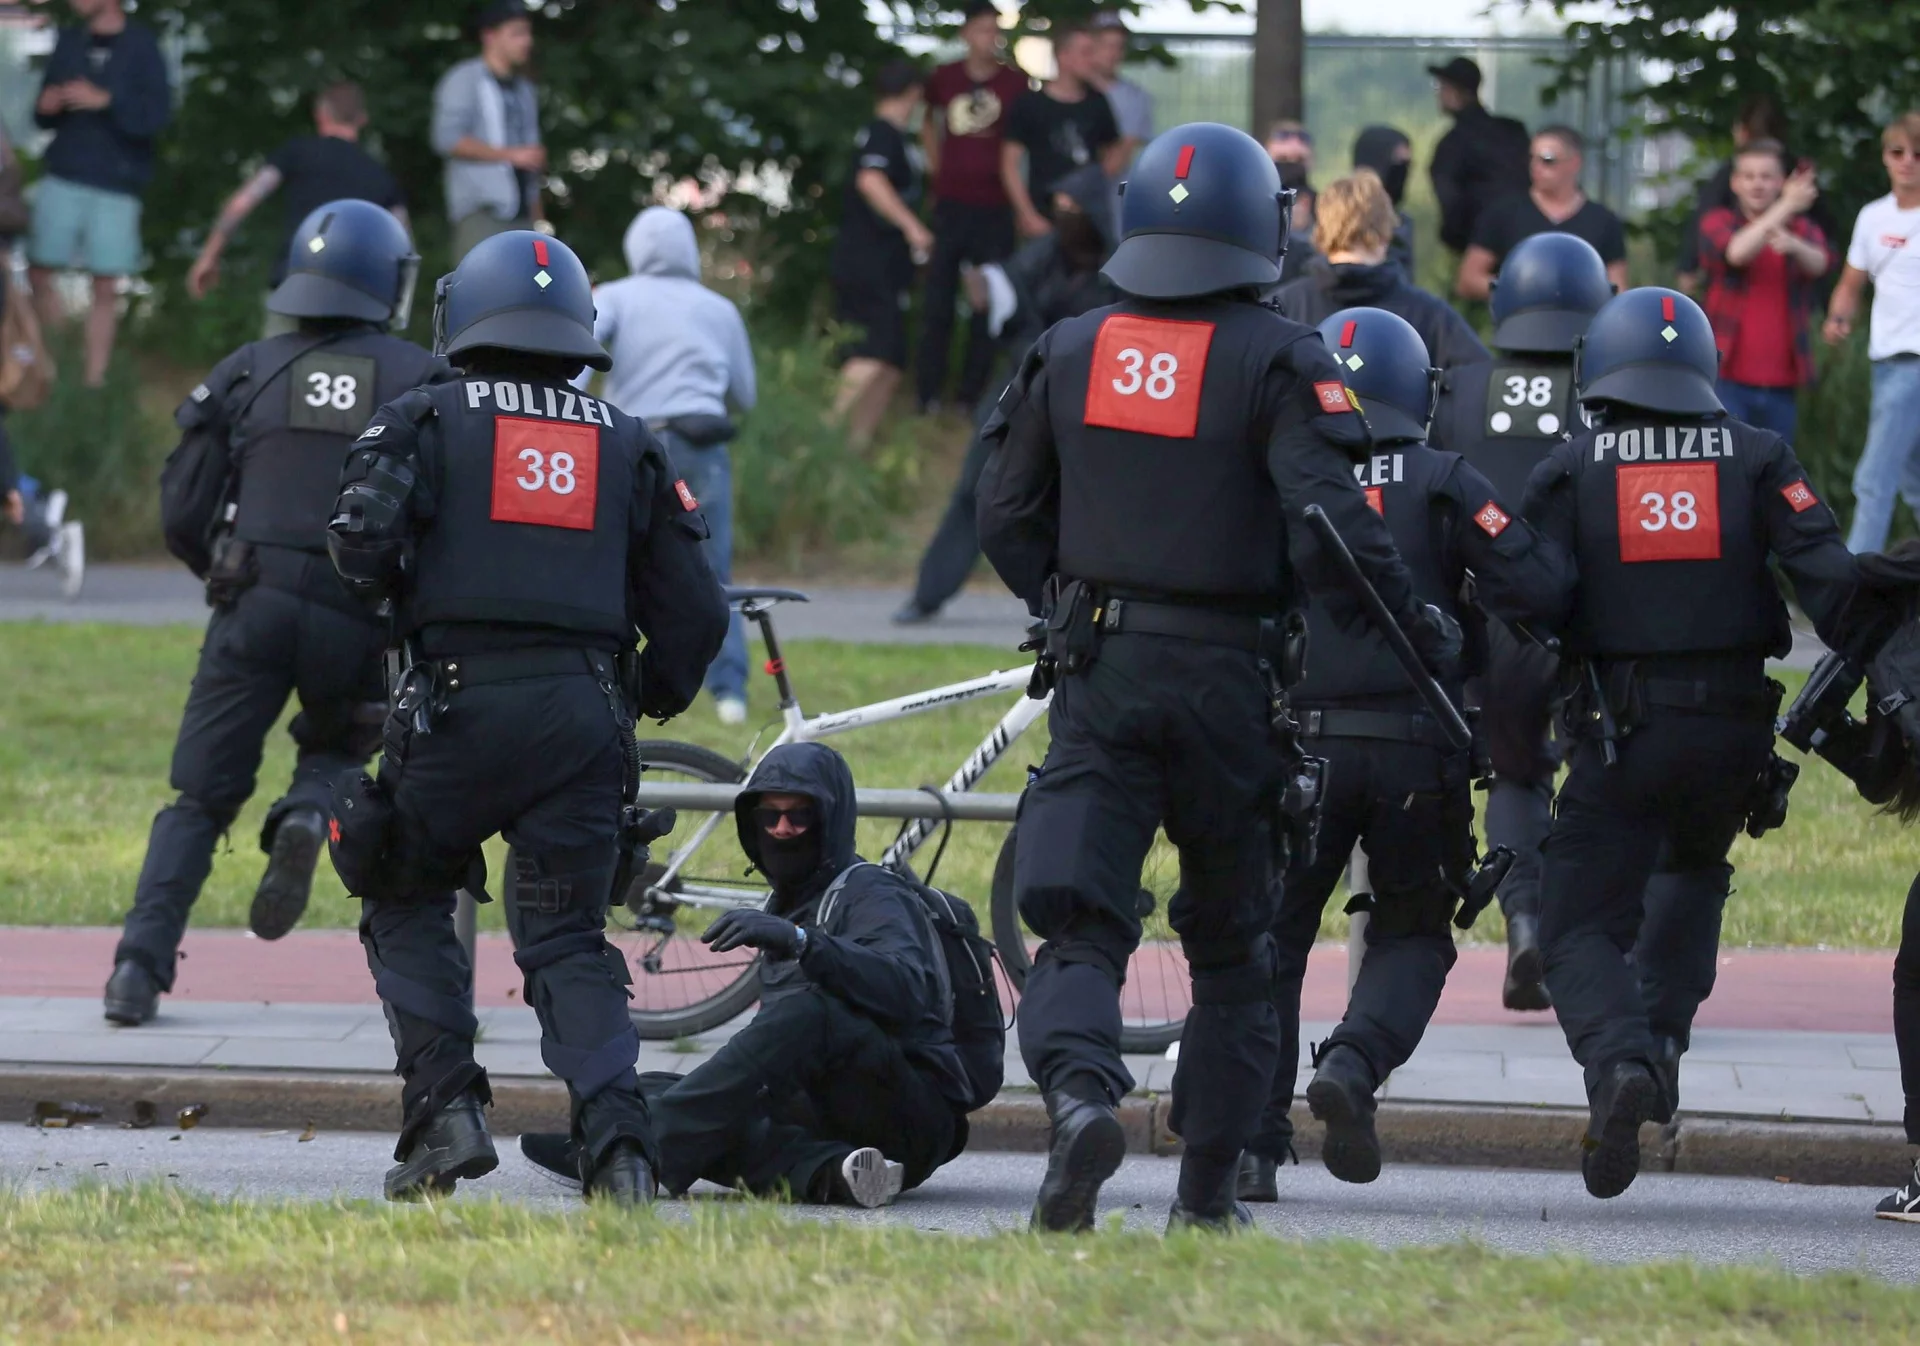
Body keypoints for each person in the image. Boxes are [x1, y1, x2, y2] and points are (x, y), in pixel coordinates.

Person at [975, 122, 1458, 1232]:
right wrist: (1421, 636)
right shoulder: (1284, 355)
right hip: (1235, 686)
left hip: (1102, 670)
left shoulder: (1073, 344)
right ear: (1262, 224)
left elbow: (1003, 513)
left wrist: (1064, 601)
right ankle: (1205, 1193)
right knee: (1237, 948)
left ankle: (1079, 1098)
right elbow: (1336, 531)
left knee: (1076, 922)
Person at [323, 229, 729, 1203]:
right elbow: (697, 610)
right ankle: (621, 1146)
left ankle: (446, 1114)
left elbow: (357, 545)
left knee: (407, 891)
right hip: (584, 720)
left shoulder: (418, 418)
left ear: (463, 319)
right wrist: (644, 696)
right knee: (566, 937)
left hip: (457, 710)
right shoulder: (629, 440)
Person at [1521, 287, 1858, 1199]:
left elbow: (1531, 597)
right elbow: (1835, 588)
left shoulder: (1574, 464)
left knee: (1575, 924)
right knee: (1692, 871)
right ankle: (1660, 1045)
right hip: (1729, 734)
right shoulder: (1758, 456)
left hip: (1620, 733)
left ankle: (1622, 1062)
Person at [1240, 306, 1572, 1200]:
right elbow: (1540, 582)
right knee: (1415, 932)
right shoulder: (1442, 478)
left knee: (1269, 940)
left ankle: (1252, 1146)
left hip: (1298, 750)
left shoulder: (1284, 480)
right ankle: (1351, 1064)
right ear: (1420, 394)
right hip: (1418, 755)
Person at [101, 201, 435, 1027]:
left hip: (250, 599)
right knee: (340, 743)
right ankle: (306, 814)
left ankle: (135, 974)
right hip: (357, 610)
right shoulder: (422, 378)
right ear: (388, 285)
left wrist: (216, 567)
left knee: (197, 797)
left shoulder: (249, 369)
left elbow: (181, 507)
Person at [518, 742, 975, 1207]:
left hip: (912, 1114)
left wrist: (802, 941)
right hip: (833, 1118)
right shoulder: (791, 900)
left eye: (799, 817)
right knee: (656, 1088)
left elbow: (909, 988)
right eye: (768, 818)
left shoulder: (872, 893)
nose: (782, 829)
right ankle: (830, 1171)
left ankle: (627, 1150)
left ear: (830, 822)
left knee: (807, 1016)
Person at [1430, 232, 1613, 1010]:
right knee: (1603, 780)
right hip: (1587, 618)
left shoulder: (1460, 388)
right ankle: (1594, 947)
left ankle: (1527, 921)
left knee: (1515, 774)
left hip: (1491, 621)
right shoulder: (1607, 390)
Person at [893, 164, 1117, 626]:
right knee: (978, 489)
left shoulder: (1115, 272)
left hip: (1086, 398)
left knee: (1080, 503)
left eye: (1074, 208)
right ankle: (929, 593)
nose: (1064, 215)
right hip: (1021, 388)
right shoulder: (1044, 255)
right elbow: (1004, 299)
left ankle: (1067, 605)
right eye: (1059, 207)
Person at [584, 206, 757, 726]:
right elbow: (744, 393)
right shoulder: (720, 309)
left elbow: (573, 357)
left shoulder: (613, 296)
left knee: (610, 562)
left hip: (633, 447)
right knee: (713, 569)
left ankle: (605, 673)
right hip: (703, 447)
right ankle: (730, 692)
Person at [186, 83, 408, 338]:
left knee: (278, 369)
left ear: (321, 114)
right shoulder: (381, 176)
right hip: (360, 298)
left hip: (294, 286)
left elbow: (241, 203)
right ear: (362, 119)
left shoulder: (297, 153)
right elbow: (402, 245)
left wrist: (208, 256)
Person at [28, 0, 172, 388]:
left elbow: (157, 116)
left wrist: (105, 101)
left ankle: (94, 379)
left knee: (106, 284)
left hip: (117, 181)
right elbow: (41, 114)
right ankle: (57, 366)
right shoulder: (69, 40)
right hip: (64, 171)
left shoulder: (142, 45)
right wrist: (49, 106)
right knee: (39, 272)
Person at [914, 1, 1030, 415]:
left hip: (995, 209)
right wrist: (935, 163)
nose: (989, 38)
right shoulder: (944, 78)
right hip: (950, 205)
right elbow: (926, 117)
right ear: (965, 33)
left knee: (989, 302)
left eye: (993, 30)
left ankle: (970, 395)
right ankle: (926, 393)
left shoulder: (1015, 83)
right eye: (981, 30)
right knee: (938, 300)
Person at [1270, 171, 1488, 372]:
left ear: (1323, 227)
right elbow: (1479, 380)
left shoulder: (1282, 307)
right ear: (1387, 227)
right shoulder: (1431, 316)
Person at [1825, 112, 1920, 554]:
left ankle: (1853, 596)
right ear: (1884, 156)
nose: (1908, 162)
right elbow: (1850, 283)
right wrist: (1838, 318)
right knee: (1913, 482)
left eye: (1918, 154)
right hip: (1884, 360)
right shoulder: (1872, 216)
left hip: (1914, 360)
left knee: (1873, 479)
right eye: (1898, 152)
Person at [1697, 141, 1831, 443]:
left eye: (1766, 176)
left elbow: (1822, 263)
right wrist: (1786, 206)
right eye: (1748, 176)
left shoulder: (1800, 228)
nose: (1757, 183)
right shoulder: (1717, 221)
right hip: (1725, 377)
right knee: (1727, 470)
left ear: (1781, 181)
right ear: (1734, 183)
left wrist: (1795, 245)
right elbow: (1736, 252)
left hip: (1782, 383)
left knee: (1775, 473)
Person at [829, 59, 929, 453]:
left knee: (890, 361)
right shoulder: (881, 134)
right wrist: (912, 226)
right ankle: (823, 435)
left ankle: (855, 449)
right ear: (912, 93)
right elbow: (871, 180)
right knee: (870, 354)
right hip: (867, 262)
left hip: (889, 267)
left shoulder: (901, 139)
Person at [1457, 126, 1629, 302]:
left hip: (1583, 325)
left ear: (1574, 163)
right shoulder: (1504, 213)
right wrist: (1519, 288)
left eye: (1547, 160)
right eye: (1532, 158)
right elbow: (1468, 280)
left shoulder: (1603, 221)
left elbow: (1618, 288)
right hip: (1519, 323)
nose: (1536, 167)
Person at [432, 0, 544, 262]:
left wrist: (538, 216)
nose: (526, 41)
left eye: (527, 33)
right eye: (516, 33)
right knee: (478, 292)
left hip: (523, 214)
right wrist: (511, 155)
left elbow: (532, 156)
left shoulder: (525, 89)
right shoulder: (463, 79)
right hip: (481, 214)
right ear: (490, 36)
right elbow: (446, 138)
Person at [1000, 25, 1124, 243]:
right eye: (1086, 52)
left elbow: (1112, 153)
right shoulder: (1029, 104)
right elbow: (1010, 164)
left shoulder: (1098, 103)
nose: (1093, 60)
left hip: (1088, 219)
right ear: (1063, 56)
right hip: (1042, 215)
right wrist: (1027, 214)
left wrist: (1088, 190)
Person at [1427, 55, 1530, 258]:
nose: (1439, 94)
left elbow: (1451, 205)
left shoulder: (1452, 144)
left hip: (1477, 247)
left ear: (1456, 91)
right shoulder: (1513, 131)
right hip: (1526, 238)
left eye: (1442, 87)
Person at [1087, 14, 1154, 167]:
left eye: (1119, 46)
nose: (1113, 53)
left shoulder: (1136, 97)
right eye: (1105, 45)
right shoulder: (1074, 90)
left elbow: (1120, 157)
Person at [1352, 125, 1416, 278]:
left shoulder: (1402, 222)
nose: (1402, 172)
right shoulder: (1346, 216)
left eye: (1406, 164)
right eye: (1397, 162)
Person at [1266, 121, 1319, 284]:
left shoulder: (1324, 207)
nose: (1290, 170)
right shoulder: (1250, 204)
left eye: (1298, 161)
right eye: (1282, 160)